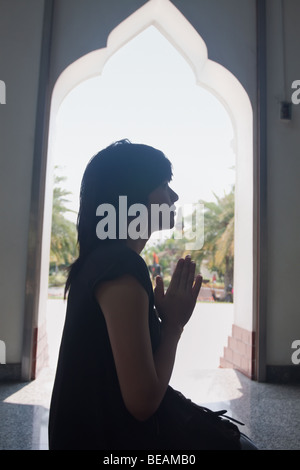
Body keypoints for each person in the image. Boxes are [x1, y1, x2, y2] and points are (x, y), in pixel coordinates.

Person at [48, 139, 257, 450]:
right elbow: (143, 402)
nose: (174, 196)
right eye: (162, 185)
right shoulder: (120, 265)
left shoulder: (100, 260)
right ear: (130, 197)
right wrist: (173, 326)